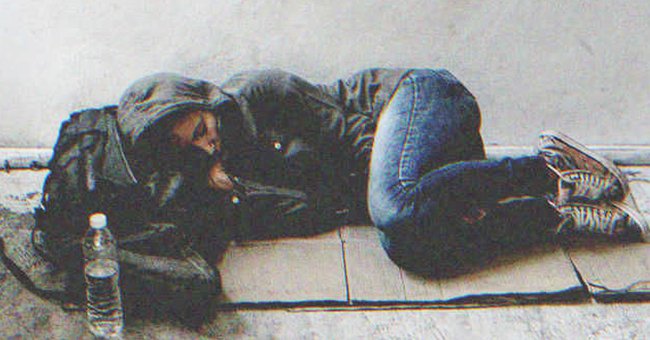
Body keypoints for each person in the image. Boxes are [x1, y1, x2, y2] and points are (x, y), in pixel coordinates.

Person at [116, 67, 648, 277]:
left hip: (420, 100)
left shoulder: (260, 93)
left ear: (205, 101)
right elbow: (320, 213)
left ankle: (548, 169)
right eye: (194, 145)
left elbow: (362, 141)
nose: (209, 144)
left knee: (392, 208)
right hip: (420, 180)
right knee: (410, 249)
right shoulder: (227, 172)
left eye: (204, 126)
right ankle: (553, 217)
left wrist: (410, 196)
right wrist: (240, 193)